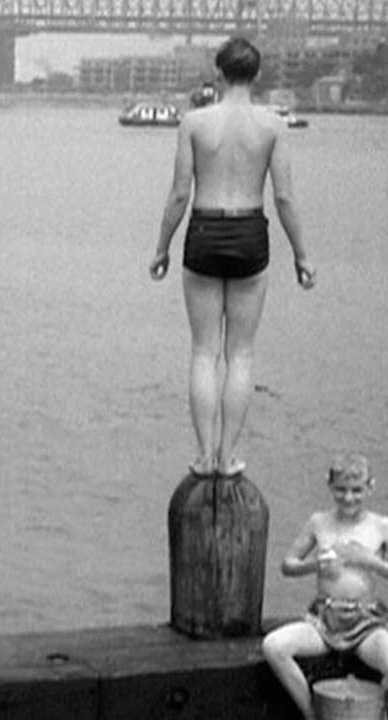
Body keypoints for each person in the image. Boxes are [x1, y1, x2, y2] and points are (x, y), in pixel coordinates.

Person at [148, 36, 316, 479]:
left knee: (204, 352)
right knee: (240, 355)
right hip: (248, 234)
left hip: (204, 231)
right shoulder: (273, 125)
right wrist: (302, 255)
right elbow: (284, 197)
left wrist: (162, 247)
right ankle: (227, 458)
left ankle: (203, 457)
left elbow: (180, 193)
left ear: (218, 72)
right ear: (257, 75)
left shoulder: (194, 123)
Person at [261, 455, 388, 720]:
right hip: (323, 619)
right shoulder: (318, 522)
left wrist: (369, 560)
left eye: (357, 490)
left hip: (366, 623)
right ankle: (312, 713)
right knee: (274, 646)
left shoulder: (381, 527)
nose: (349, 498)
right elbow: (288, 564)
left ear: (371, 487)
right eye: (341, 490)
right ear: (330, 486)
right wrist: (315, 565)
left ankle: (375, 713)